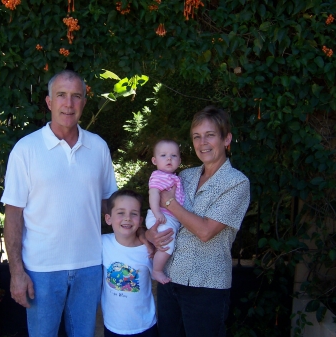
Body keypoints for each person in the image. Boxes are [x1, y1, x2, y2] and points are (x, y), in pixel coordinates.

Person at [0, 69, 118, 337]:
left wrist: (141, 230)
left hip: (89, 267)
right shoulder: (26, 149)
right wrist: (16, 272)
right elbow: (13, 215)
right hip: (42, 270)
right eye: (61, 95)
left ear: (84, 102)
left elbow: (109, 204)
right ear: (49, 102)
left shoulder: (98, 147)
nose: (69, 104)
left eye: (76, 96)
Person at [146, 106, 250, 337]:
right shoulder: (185, 176)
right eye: (197, 136)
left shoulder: (236, 183)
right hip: (170, 279)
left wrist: (171, 203)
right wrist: (149, 235)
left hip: (206, 287)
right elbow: (159, 216)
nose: (203, 142)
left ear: (227, 139)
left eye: (210, 135)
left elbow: (205, 231)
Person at [101, 189, 158, 337]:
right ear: (108, 218)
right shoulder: (102, 243)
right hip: (112, 326)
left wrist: (143, 233)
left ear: (140, 220)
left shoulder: (148, 250)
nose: (127, 218)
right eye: (120, 213)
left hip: (144, 327)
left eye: (134, 213)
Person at [145, 139, 185, 284]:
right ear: (154, 160)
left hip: (168, 216)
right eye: (163, 155)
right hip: (161, 216)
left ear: (179, 160)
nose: (169, 158)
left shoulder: (173, 177)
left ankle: (155, 264)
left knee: (164, 243)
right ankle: (156, 270)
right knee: (167, 244)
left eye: (173, 156)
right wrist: (157, 213)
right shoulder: (158, 175)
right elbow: (154, 194)